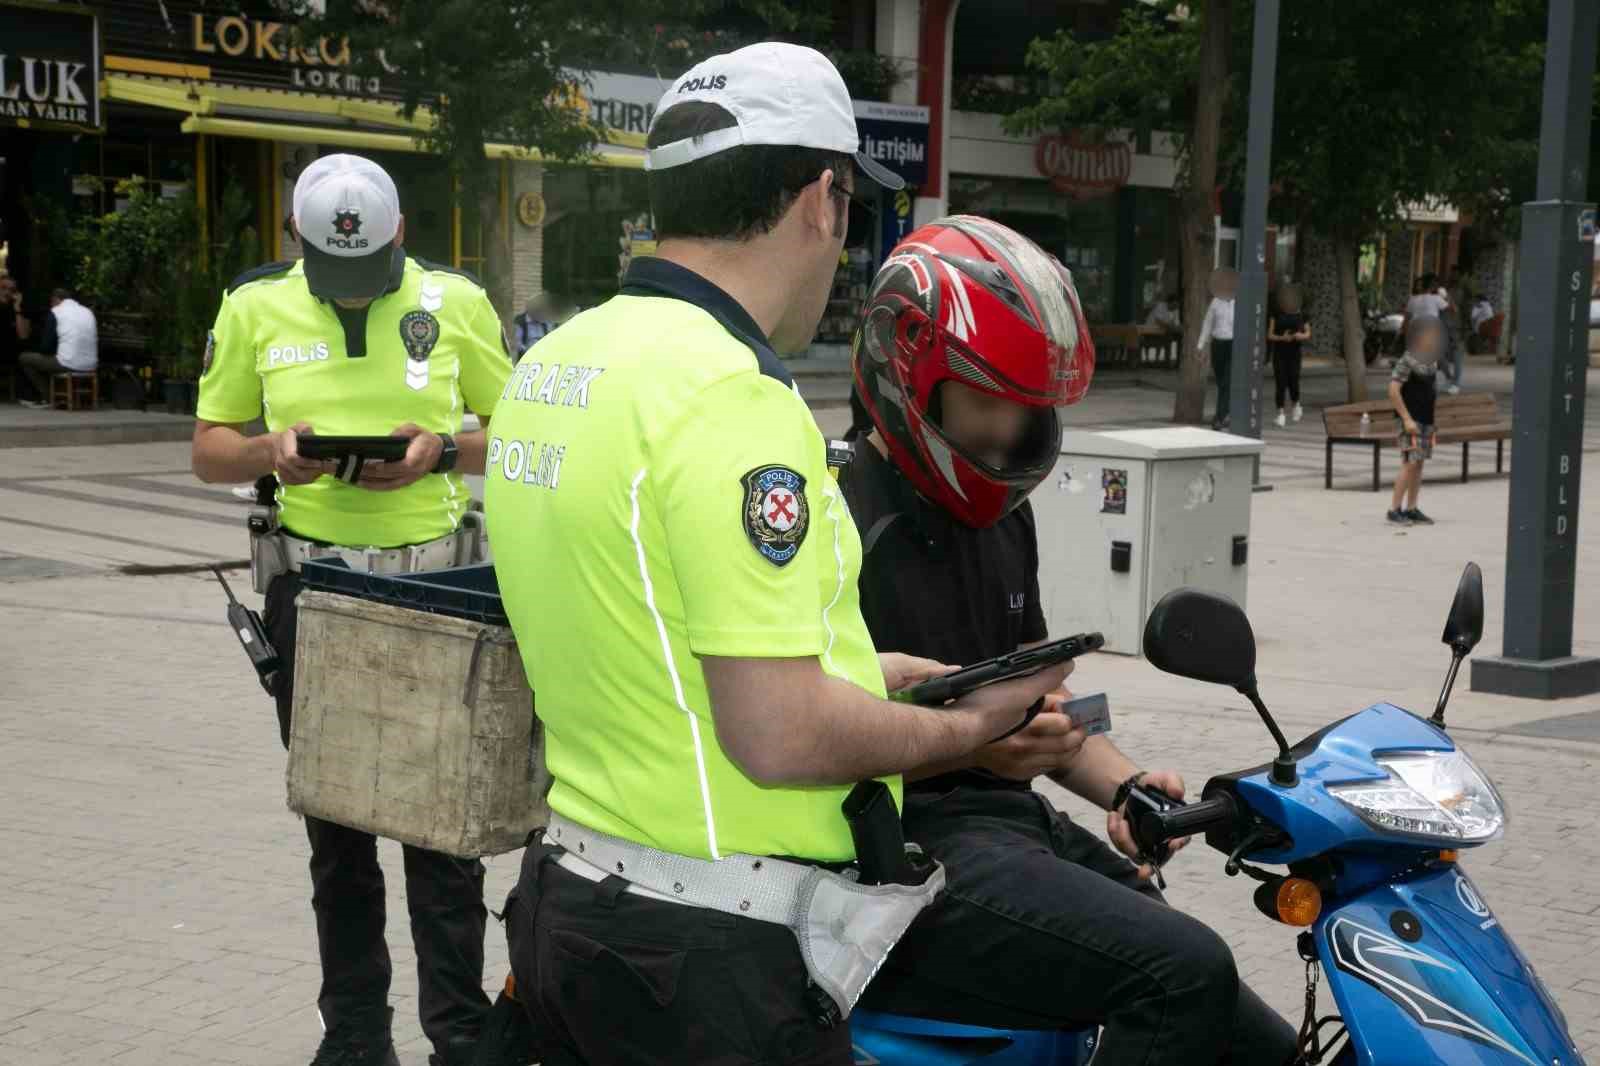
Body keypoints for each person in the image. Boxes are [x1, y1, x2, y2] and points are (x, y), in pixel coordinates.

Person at [484, 44, 1067, 1066]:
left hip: (568, 907)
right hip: (704, 955)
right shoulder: (730, 395)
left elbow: (645, 627)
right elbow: (779, 734)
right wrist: (966, 732)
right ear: (821, 199)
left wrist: (867, 676)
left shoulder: (555, 362)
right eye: (845, 212)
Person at [842, 216, 1299, 1066]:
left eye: (1025, 410)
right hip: (901, 851)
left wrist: (1127, 790)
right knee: (1182, 971)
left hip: (1009, 823)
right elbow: (798, 737)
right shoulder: (837, 519)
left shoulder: (1004, 520)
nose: (1007, 433)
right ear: (907, 373)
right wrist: (979, 749)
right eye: (985, 401)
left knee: (1246, 1026)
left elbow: (1046, 715)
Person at [191, 154, 514, 1066]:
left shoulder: (455, 302)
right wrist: (271, 449)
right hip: (314, 590)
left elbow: (523, 424)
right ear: (295, 240)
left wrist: (440, 452)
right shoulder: (253, 305)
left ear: (401, 234)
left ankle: (459, 1037)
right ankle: (357, 1042)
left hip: (437, 588)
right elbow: (209, 450)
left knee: (445, 836)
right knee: (338, 835)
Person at [1387, 317, 1444, 526]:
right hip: (1410, 420)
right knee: (1409, 463)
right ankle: (1394, 509)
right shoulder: (1407, 360)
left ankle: (1411, 508)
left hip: (1426, 419)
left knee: (1418, 464)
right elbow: (1393, 391)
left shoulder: (1431, 361)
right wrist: (1406, 419)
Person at [19, 287, 97, 406]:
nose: (51, 306)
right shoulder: (87, 311)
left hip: (68, 363)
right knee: (57, 358)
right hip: (91, 364)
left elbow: (46, 346)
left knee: (25, 358)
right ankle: (66, 395)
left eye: (51, 302)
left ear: (55, 299)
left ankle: (48, 396)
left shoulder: (56, 311)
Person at [1198, 268, 1237, 430]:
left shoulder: (1240, 302)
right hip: (1218, 345)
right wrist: (1200, 345)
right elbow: (1207, 324)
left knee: (1227, 381)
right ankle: (1226, 413)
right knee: (1222, 383)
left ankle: (1218, 417)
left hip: (1233, 345)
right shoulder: (1215, 302)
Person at [1267, 285, 1310, 427]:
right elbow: (1270, 335)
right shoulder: (1276, 313)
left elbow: (1308, 333)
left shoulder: (1302, 314)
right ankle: (1280, 414)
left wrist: (1300, 335)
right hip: (1279, 353)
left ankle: (1296, 404)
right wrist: (1281, 338)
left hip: (1294, 353)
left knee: (1293, 381)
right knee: (1280, 383)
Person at [0, 274, 33, 401]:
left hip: (11, 351)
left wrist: (17, 309)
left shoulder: (19, 309)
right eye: (3, 288)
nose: (7, 292)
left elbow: (23, 335)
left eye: (12, 290)